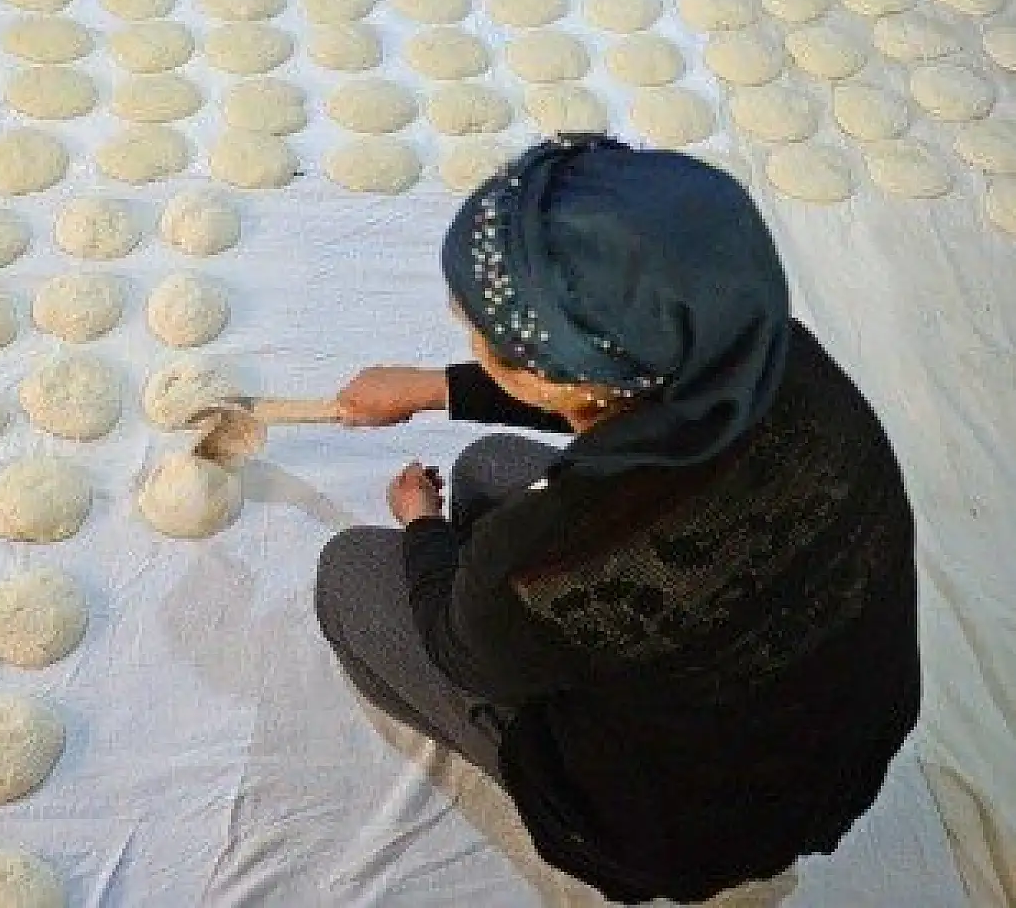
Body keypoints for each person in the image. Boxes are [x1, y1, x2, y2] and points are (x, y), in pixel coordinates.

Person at [314, 134, 921, 904]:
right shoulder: (774, 357)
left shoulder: (547, 554)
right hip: (833, 749)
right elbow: (632, 398)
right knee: (489, 466)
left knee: (350, 575)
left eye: (486, 339)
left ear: (564, 376)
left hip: (673, 830)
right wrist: (439, 387)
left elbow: (454, 645)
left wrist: (422, 526)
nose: (467, 334)